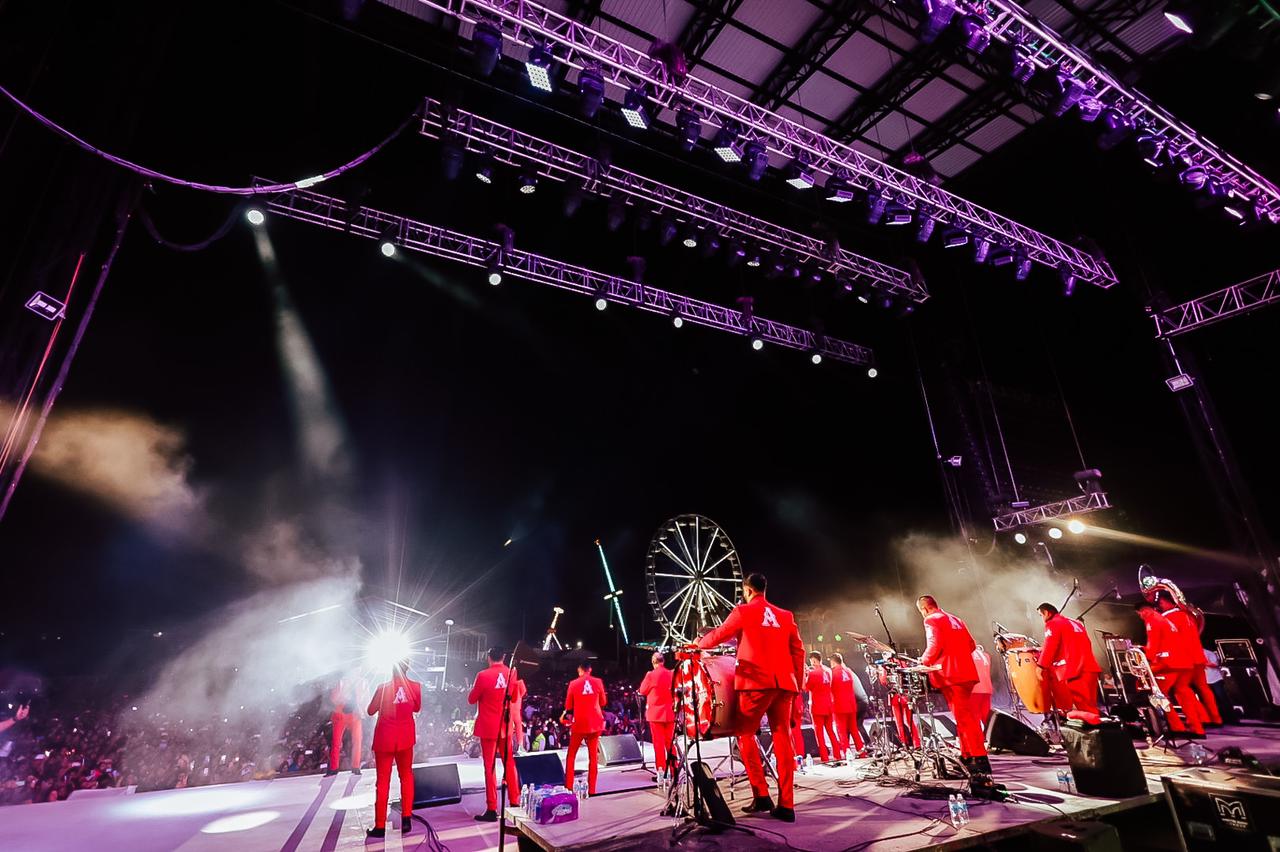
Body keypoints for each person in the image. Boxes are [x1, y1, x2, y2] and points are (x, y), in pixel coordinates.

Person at [696, 572, 804, 823]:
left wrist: (699, 642)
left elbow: (719, 635)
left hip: (756, 683)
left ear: (747, 590)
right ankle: (786, 805)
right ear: (764, 590)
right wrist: (797, 684)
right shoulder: (786, 615)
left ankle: (761, 794)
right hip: (784, 683)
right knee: (783, 740)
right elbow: (798, 652)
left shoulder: (743, 611)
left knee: (745, 734)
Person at [917, 595, 990, 774]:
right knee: (964, 716)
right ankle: (967, 755)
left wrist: (923, 662)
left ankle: (978, 757)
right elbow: (971, 645)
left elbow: (934, 645)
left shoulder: (931, 620)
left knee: (965, 718)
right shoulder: (956, 619)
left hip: (951, 674)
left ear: (924, 609)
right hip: (966, 673)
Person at [366, 661, 422, 838]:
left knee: (382, 782)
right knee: (406, 777)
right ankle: (406, 818)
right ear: (407, 669)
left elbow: (370, 710)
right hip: (405, 738)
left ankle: (380, 826)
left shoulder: (383, 688)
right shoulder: (415, 687)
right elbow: (417, 707)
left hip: (385, 739)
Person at [1136, 602, 1205, 738]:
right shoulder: (1164, 619)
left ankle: (1176, 727)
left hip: (1168, 663)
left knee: (1158, 693)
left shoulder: (1151, 619)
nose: (1141, 617)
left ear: (1143, 611)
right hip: (1183, 662)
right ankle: (1197, 728)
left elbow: (1153, 642)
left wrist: (1146, 654)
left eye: (1139, 614)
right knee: (1183, 692)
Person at [468, 647, 522, 822]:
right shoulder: (512, 673)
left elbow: (471, 699)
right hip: (505, 726)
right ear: (504, 657)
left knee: (489, 767)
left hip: (488, 727)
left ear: (488, 658)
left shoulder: (482, 675)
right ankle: (515, 802)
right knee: (509, 763)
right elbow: (514, 698)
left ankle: (492, 808)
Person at [1156, 594, 1222, 727]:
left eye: (1162, 603)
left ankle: (1199, 719)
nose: (1160, 606)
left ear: (1171, 602)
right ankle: (1215, 718)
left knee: (1181, 689)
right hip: (1198, 657)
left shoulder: (1167, 618)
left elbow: (1168, 641)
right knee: (1203, 688)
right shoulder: (1190, 615)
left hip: (1184, 659)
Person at [1035, 603, 1102, 718]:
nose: (1042, 619)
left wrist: (1040, 666)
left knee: (1085, 711)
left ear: (1046, 613)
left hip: (1075, 670)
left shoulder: (1053, 623)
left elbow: (1050, 645)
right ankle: (1098, 731)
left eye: (1041, 615)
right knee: (1090, 707)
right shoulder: (1076, 623)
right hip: (1090, 667)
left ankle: (1093, 733)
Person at [563, 662, 607, 795]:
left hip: (580, 723)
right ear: (590, 670)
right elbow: (604, 702)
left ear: (579, 670)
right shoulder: (598, 681)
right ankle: (592, 789)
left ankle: (569, 787)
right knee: (593, 757)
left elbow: (568, 705)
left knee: (571, 756)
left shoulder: (573, 683)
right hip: (595, 723)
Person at [637, 652, 675, 776]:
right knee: (670, 743)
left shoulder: (651, 675)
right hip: (669, 713)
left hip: (655, 714)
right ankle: (674, 770)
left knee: (658, 744)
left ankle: (661, 771)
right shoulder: (671, 674)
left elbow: (642, 691)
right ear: (663, 661)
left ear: (654, 662)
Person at [804, 652, 839, 761]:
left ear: (813, 660)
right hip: (828, 704)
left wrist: (806, 675)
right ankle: (837, 754)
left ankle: (824, 757)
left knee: (819, 733)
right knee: (830, 731)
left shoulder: (813, 673)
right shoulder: (828, 670)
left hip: (817, 706)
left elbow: (806, 688)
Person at [830, 653, 867, 757]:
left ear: (833, 662)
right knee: (854, 730)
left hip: (839, 706)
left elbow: (830, 689)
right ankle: (862, 752)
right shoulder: (848, 671)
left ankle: (847, 753)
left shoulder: (833, 674)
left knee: (841, 731)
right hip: (851, 705)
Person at [325, 678, 363, 776]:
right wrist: (344, 700)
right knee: (336, 742)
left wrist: (361, 709)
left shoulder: (362, 682)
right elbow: (333, 698)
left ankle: (356, 766)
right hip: (340, 714)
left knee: (357, 741)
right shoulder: (340, 682)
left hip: (355, 715)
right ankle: (334, 768)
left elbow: (364, 698)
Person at [1203, 647, 1230, 723]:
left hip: (1215, 679)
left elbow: (1216, 664)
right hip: (1205, 681)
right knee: (1212, 701)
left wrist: (1203, 662)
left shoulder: (1209, 653)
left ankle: (1230, 718)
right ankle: (1218, 719)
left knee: (1222, 698)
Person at [971, 644, 994, 730]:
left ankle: (978, 737)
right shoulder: (986, 656)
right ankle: (990, 735)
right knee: (986, 715)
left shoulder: (968, 655)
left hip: (975, 689)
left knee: (974, 715)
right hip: (987, 688)